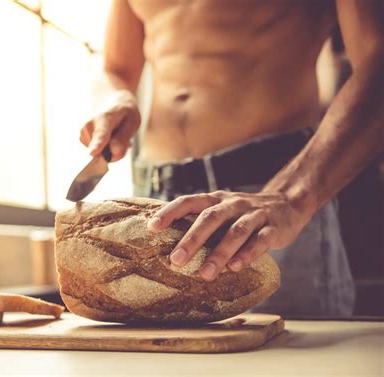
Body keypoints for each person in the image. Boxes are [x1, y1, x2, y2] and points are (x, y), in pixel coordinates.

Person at [78, 0, 383, 317]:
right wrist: (116, 99)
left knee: (288, 364)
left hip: (266, 202)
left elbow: (379, 63)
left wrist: (289, 197)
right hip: (158, 204)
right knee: (164, 362)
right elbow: (116, 68)